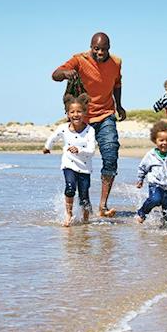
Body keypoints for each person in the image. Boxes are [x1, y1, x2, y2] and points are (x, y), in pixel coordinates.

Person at [52, 32, 126, 217]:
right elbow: (55, 74)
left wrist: (119, 105)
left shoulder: (116, 62)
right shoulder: (79, 59)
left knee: (111, 156)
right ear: (91, 47)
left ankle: (103, 205)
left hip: (106, 115)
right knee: (78, 162)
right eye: (96, 49)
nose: (100, 52)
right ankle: (81, 202)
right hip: (82, 120)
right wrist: (65, 73)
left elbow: (117, 84)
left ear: (109, 48)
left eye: (104, 49)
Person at [43, 93, 96, 227]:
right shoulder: (63, 128)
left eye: (79, 111)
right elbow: (53, 137)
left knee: (84, 198)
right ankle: (69, 214)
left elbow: (91, 150)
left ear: (84, 113)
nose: (75, 114)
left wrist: (79, 150)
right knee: (70, 188)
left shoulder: (90, 131)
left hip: (84, 168)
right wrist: (47, 147)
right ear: (67, 114)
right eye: (72, 112)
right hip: (69, 164)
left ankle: (85, 220)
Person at [135, 121, 167, 225]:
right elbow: (143, 168)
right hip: (155, 185)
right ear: (155, 140)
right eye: (161, 140)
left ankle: (165, 232)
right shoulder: (151, 155)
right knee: (155, 199)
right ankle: (142, 212)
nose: (164, 143)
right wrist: (140, 179)